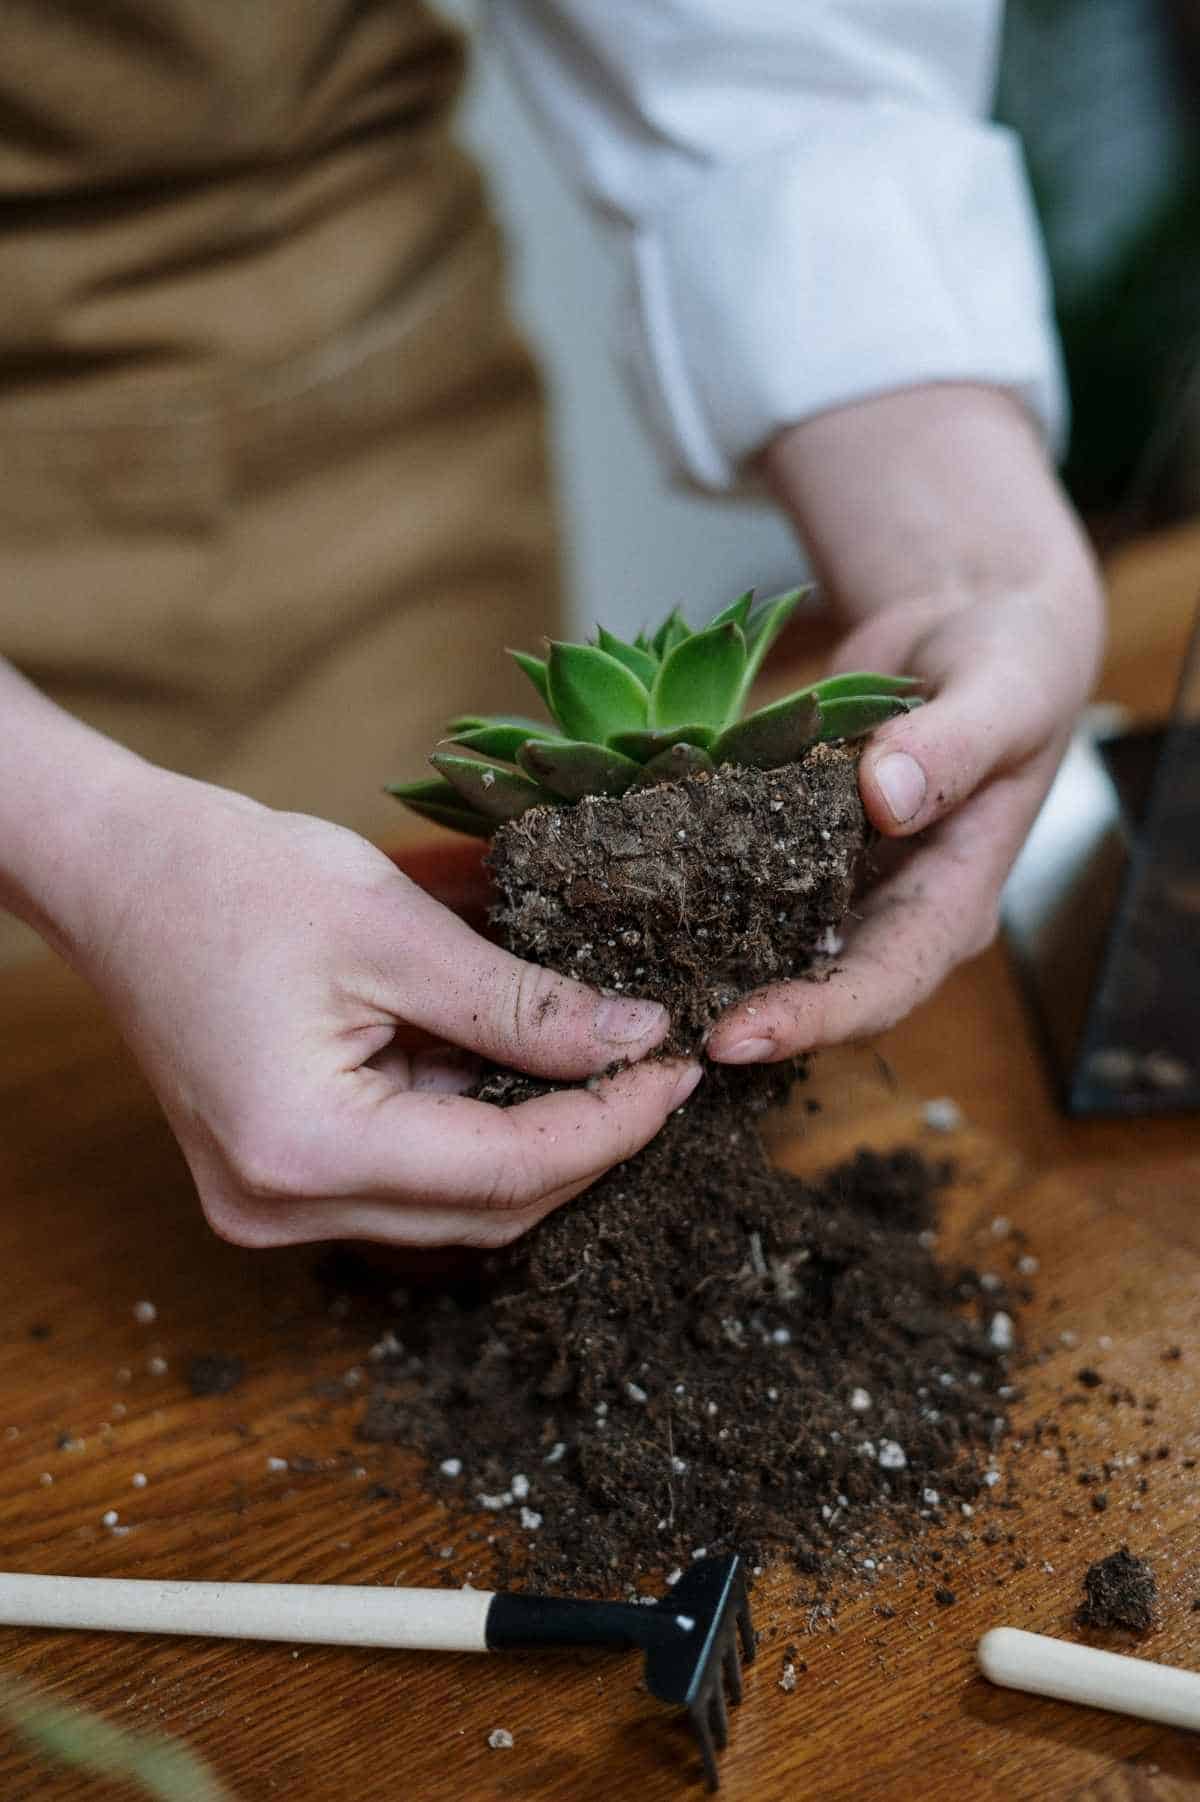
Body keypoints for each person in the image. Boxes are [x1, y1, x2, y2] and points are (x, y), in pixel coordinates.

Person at [0, 3, 1104, 1252]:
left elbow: (758, 49)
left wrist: (959, 527)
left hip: (346, 389)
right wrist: (76, 830)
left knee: (439, 1041)